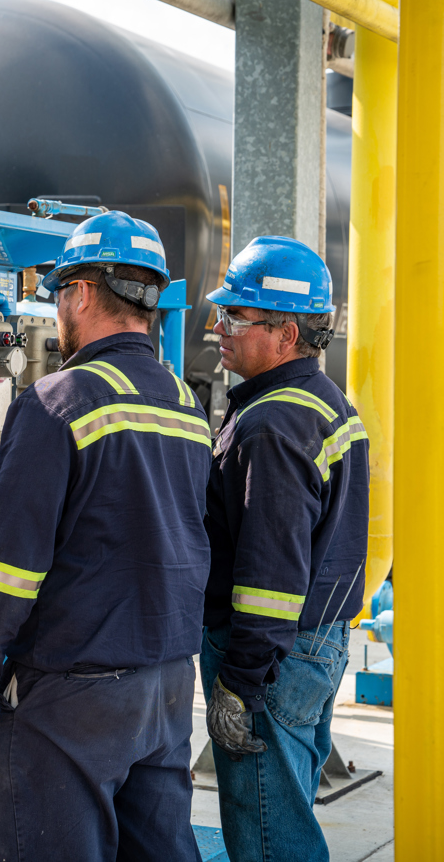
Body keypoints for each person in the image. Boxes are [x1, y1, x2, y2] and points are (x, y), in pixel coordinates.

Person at [0, 210, 212, 862]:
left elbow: (5, 572)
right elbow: (128, 501)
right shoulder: (184, 403)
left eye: (57, 295)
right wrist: (4, 461)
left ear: (78, 292)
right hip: (162, 688)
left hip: (72, 698)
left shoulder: (56, 399)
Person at [201, 235, 370, 862]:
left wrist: (239, 686)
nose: (218, 327)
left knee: (272, 835)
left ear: (287, 334)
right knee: (289, 809)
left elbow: (270, 577)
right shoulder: (321, 403)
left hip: (271, 655)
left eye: (236, 316)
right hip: (315, 645)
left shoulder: (272, 425)